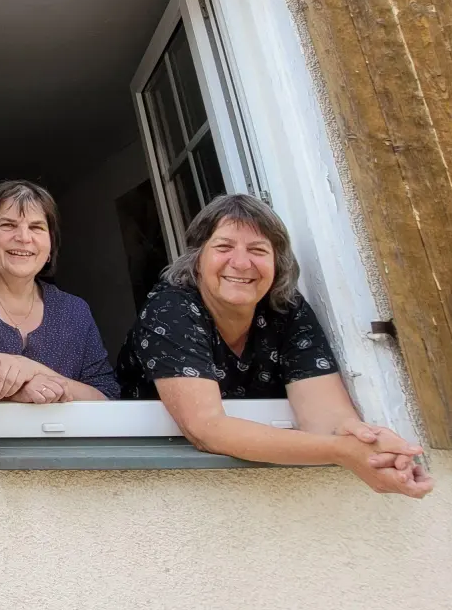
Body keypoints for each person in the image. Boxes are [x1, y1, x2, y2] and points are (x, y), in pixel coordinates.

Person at [116, 193, 433, 497]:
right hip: (165, 482)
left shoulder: (286, 309)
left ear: (277, 262)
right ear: (197, 259)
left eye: (258, 250)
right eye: (224, 246)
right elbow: (207, 428)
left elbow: (329, 419)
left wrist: (376, 449)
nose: (241, 263)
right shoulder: (171, 307)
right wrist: (342, 452)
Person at [0, 180, 118, 403]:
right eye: (7, 225)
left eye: (36, 227)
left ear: (51, 245)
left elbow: (106, 398)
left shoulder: (74, 312)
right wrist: (16, 392)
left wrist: (34, 370)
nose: (24, 238)